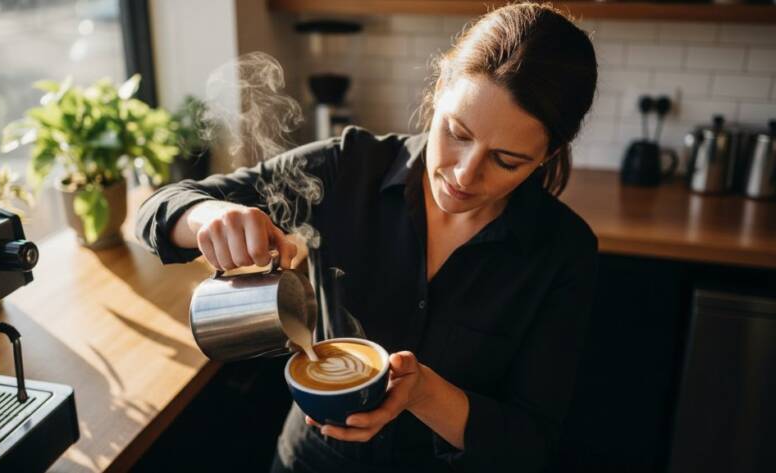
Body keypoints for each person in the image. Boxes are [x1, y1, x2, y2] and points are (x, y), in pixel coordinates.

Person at [136, 3, 598, 472]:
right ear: (439, 91)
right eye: (457, 132)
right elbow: (158, 210)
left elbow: (530, 444)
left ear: (547, 154)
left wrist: (424, 394)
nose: (464, 174)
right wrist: (207, 215)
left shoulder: (563, 252)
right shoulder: (349, 167)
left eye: (506, 160)